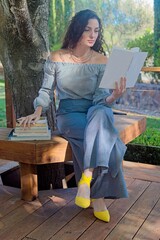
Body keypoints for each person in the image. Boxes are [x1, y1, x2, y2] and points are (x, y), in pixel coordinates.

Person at [18, 9, 128, 222]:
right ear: (77, 29)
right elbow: (46, 91)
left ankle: (86, 179)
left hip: (96, 110)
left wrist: (114, 96)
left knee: (101, 113)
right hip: (69, 113)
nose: (92, 34)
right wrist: (38, 110)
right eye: (87, 29)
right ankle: (98, 199)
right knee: (108, 141)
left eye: (96, 30)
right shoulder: (56, 57)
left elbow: (100, 99)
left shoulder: (102, 61)